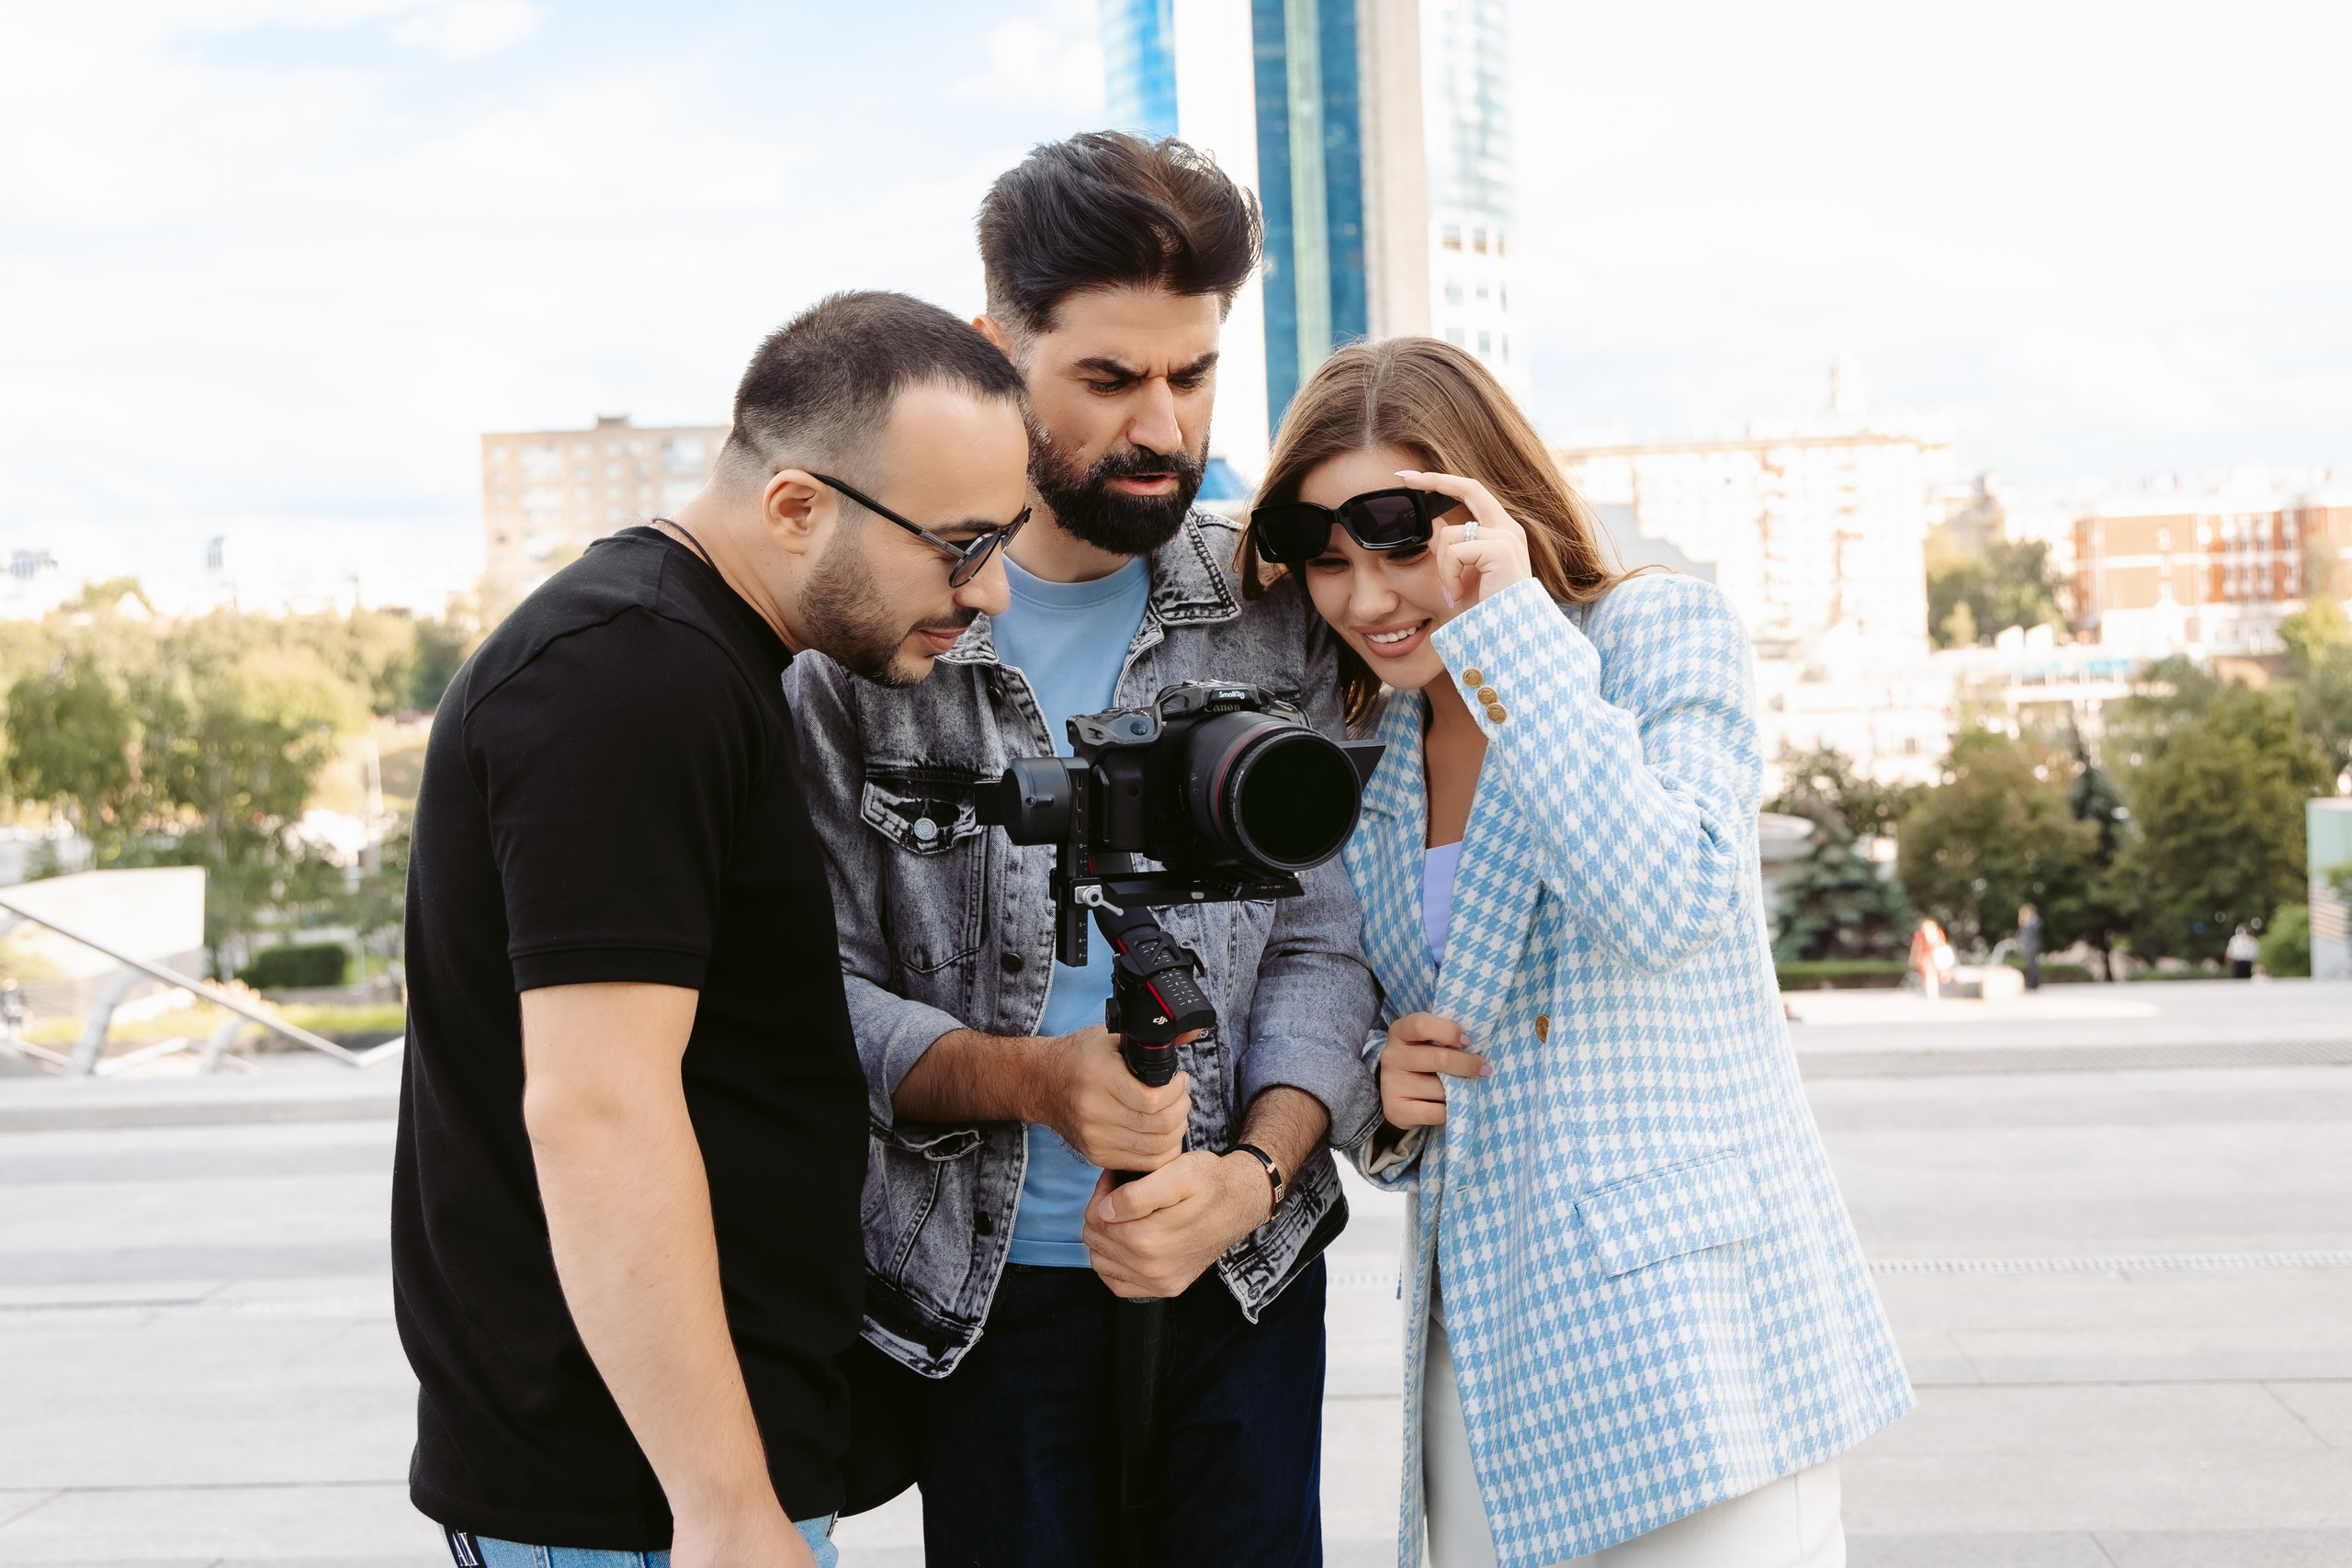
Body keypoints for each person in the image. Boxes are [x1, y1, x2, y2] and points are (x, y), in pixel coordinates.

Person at [786, 132, 1379, 1566]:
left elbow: (1325, 936)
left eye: (1192, 374)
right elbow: (816, 987)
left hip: (1242, 1269)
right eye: (1109, 379)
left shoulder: (1274, 606)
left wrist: (1248, 1171)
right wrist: (1036, 1082)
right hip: (975, 1297)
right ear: (998, 354)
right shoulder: (865, 643)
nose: (1161, 426)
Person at [1238, 336, 1912, 1567]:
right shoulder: (1367, 754)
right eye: (1327, 560)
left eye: (1402, 541)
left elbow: (1668, 899)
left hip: (1689, 1349)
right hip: (1487, 1359)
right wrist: (1384, 1090)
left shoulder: (1653, 631)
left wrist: (1515, 636)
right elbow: (1411, 1043)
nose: (1369, 598)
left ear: (1490, 509)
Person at [392, 291, 1034, 1568]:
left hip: (684, 1482)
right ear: (795, 507)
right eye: (960, 545)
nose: (995, 590)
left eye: (1003, 538)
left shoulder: (696, 658)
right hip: (633, 1501)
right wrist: (726, 1506)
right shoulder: (627, 675)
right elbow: (599, 1109)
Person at [2018, 901, 2045, 989]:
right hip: (2030, 945)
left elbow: (2032, 933)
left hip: (2033, 945)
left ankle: (2034, 984)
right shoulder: (2031, 921)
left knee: (2033, 965)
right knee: (2030, 964)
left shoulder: (2034, 921)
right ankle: (2032, 983)